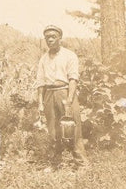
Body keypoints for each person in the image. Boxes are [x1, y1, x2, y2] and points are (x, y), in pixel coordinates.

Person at [33, 25, 86, 171]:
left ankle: (82, 164)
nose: (50, 39)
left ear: (59, 38)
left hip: (65, 92)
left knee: (72, 128)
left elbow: (73, 79)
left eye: (53, 36)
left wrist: (69, 100)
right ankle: (55, 163)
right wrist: (40, 103)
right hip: (49, 94)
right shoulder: (43, 59)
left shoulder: (69, 55)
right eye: (47, 37)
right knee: (53, 131)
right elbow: (40, 82)